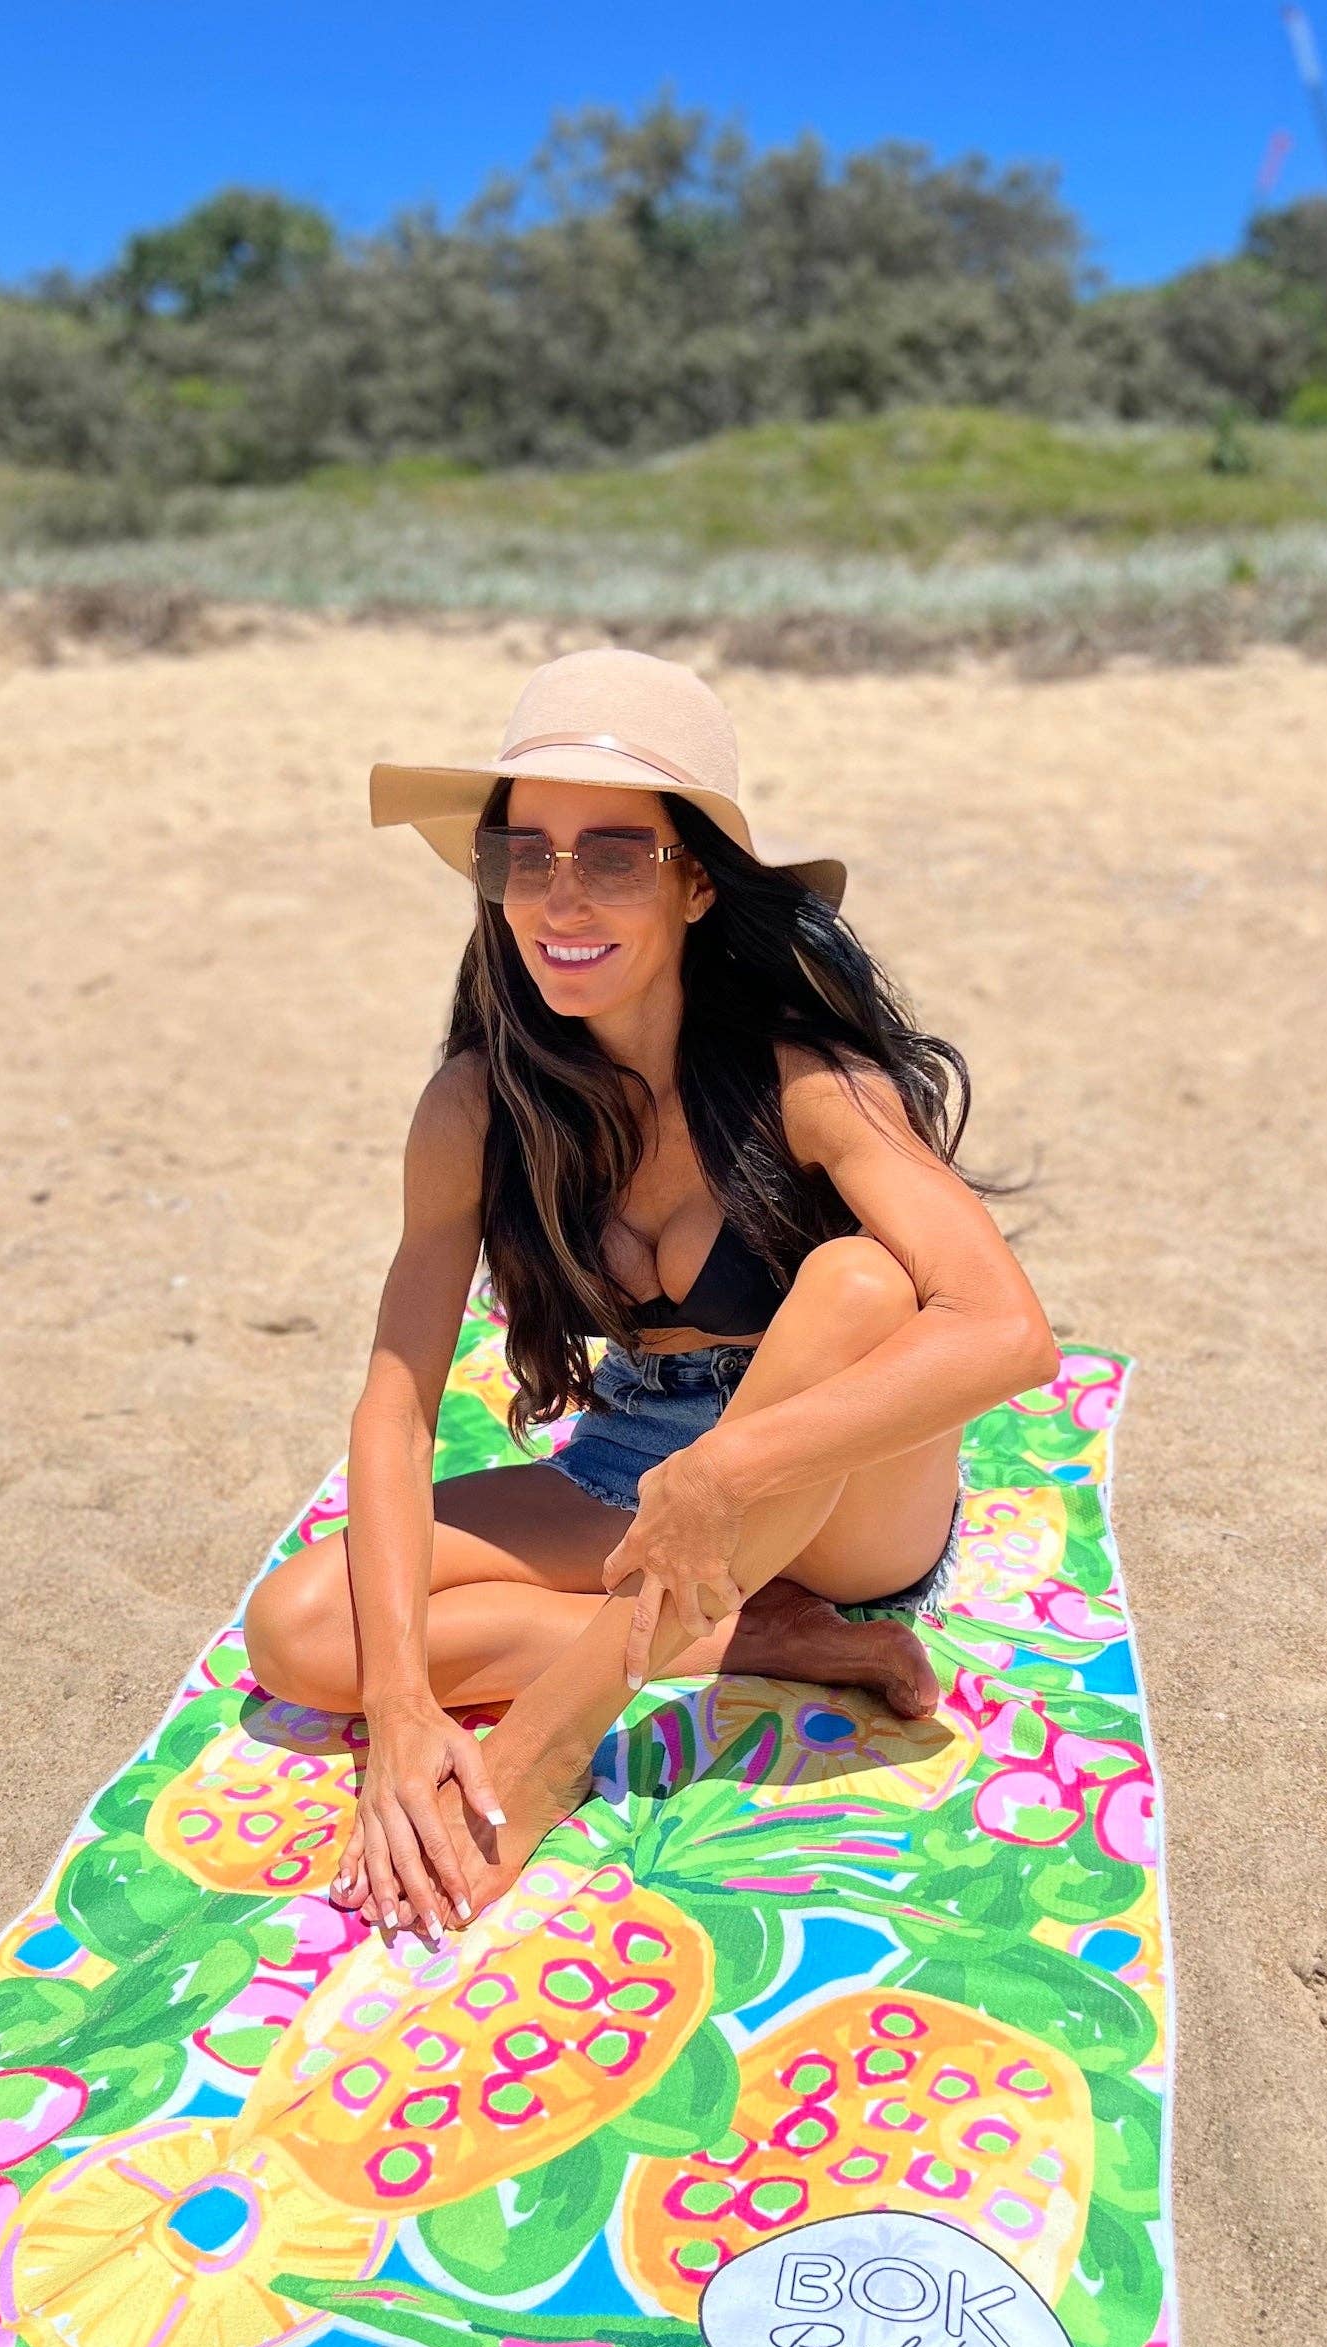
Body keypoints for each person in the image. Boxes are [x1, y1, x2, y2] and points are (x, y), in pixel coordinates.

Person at [243, 646, 1059, 1938]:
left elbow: (1007, 1333)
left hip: (842, 1491)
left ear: (695, 882)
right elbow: (395, 1409)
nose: (562, 894)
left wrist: (726, 1474)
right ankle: (765, 1642)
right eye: (527, 854)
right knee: (301, 1634)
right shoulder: (479, 1108)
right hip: (639, 1450)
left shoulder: (809, 1085)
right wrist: (399, 1710)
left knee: (856, 1280)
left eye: (616, 855)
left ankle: (546, 1753)